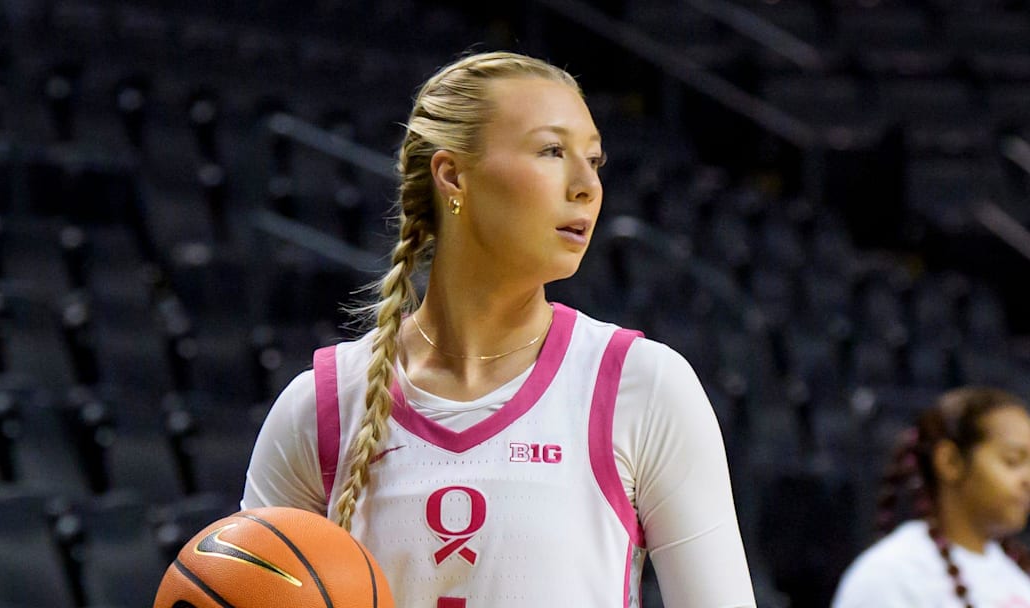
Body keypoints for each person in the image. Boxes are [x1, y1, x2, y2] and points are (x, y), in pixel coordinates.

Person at [242, 50, 755, 608]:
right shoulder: (320, 406)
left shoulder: (645, 388)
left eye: (595, 160)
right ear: (452, 174)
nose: (587, 185)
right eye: (552, 151)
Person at [832, 386, 1030, 608]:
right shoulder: (892, 575)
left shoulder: (1015, 573)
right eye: (1012, 461)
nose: (1028, 479)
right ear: (950, 462)